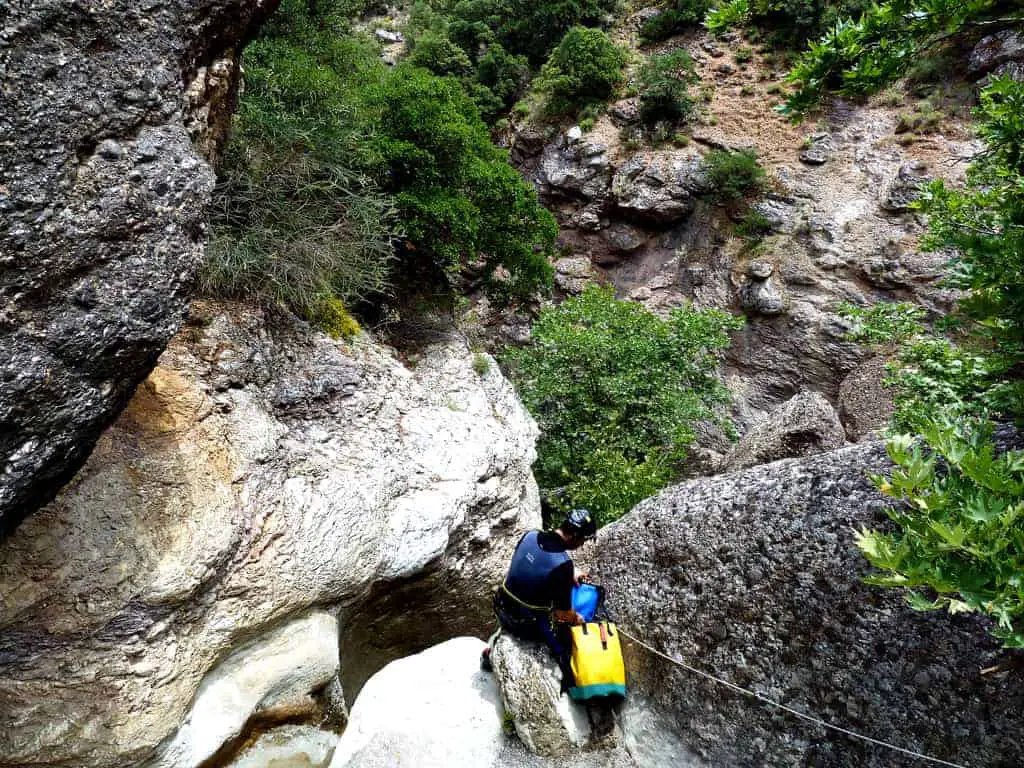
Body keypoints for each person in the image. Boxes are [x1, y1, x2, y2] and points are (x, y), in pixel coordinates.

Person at [481, 508, 598, 683]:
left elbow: (535, 563)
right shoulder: (562, 565)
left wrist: (569, 572)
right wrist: (578, 618)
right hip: (523, 624)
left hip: (501, 605)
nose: (582, 544)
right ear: (574, 535)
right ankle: (569, 683)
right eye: (584, 539)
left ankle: (491, 652)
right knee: (566, 646)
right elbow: (563, 614)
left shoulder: (531, 535)